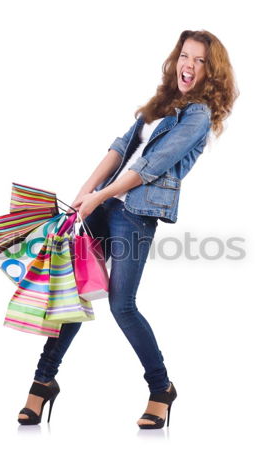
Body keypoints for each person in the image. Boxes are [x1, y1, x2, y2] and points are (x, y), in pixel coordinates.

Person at [18, 30, 238, 428]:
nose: (189, 65)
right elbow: (120, 148)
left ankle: (161, 389)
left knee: (122, 305)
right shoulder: (159, 105)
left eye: (200, 61)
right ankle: (43, 381)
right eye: (185, 56)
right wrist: (84, 193)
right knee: (72, 290)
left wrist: (100, 199)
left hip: (134, 213)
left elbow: (148, 167)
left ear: (212, 72)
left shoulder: (198, 115)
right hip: (102, 202)